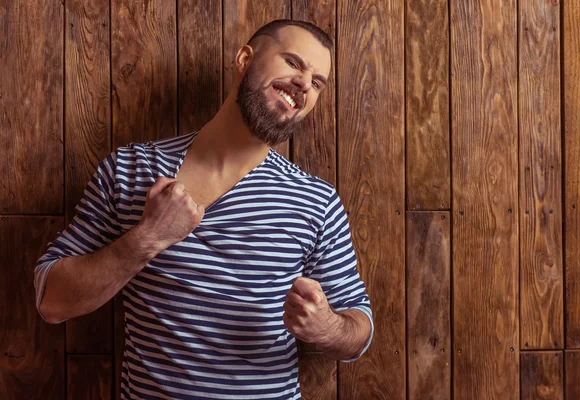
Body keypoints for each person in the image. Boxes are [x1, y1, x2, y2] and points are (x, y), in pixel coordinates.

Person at [34, 19, 373, 399]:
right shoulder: (131, 170)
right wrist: (148, 239)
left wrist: (327, 327)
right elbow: (51, 301)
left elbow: (358, 326)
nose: (305, 83)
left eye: (318, 81)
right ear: (245, 59)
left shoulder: (316, 200)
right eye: (294, 63)